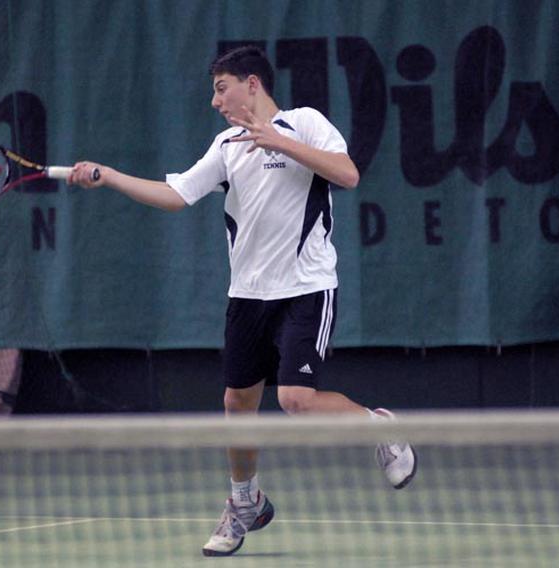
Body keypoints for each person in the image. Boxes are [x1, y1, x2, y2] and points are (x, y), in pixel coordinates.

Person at [68, 45, 416, 557]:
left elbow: (347, 175)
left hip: (306, 288)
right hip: (248, 296)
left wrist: (279, 141)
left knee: (295, 400)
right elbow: (178, 194)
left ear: (252, 83)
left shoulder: (306, 123)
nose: (215, 100)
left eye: (221, 87)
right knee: (238, 403)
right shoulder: (227, 144)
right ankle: (244, 503)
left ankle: (378, 428)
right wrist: (111, 176)